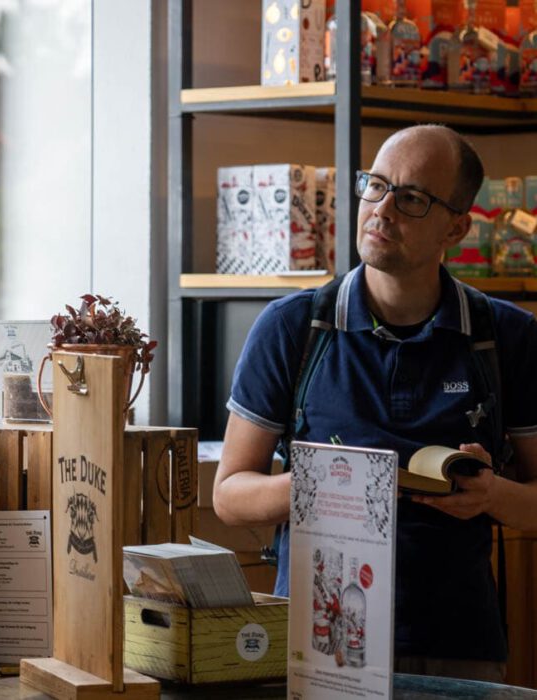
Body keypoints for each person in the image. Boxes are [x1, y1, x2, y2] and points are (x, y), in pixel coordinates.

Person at [214, 124, 537, 682]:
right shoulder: (293, 328)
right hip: (316, 644)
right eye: (376, 186)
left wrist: (490, 495)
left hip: (457, 646)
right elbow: (229, 495)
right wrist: (322, 485)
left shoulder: (506, 337)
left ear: (457, 226)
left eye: (412, 198)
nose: (382, 210)